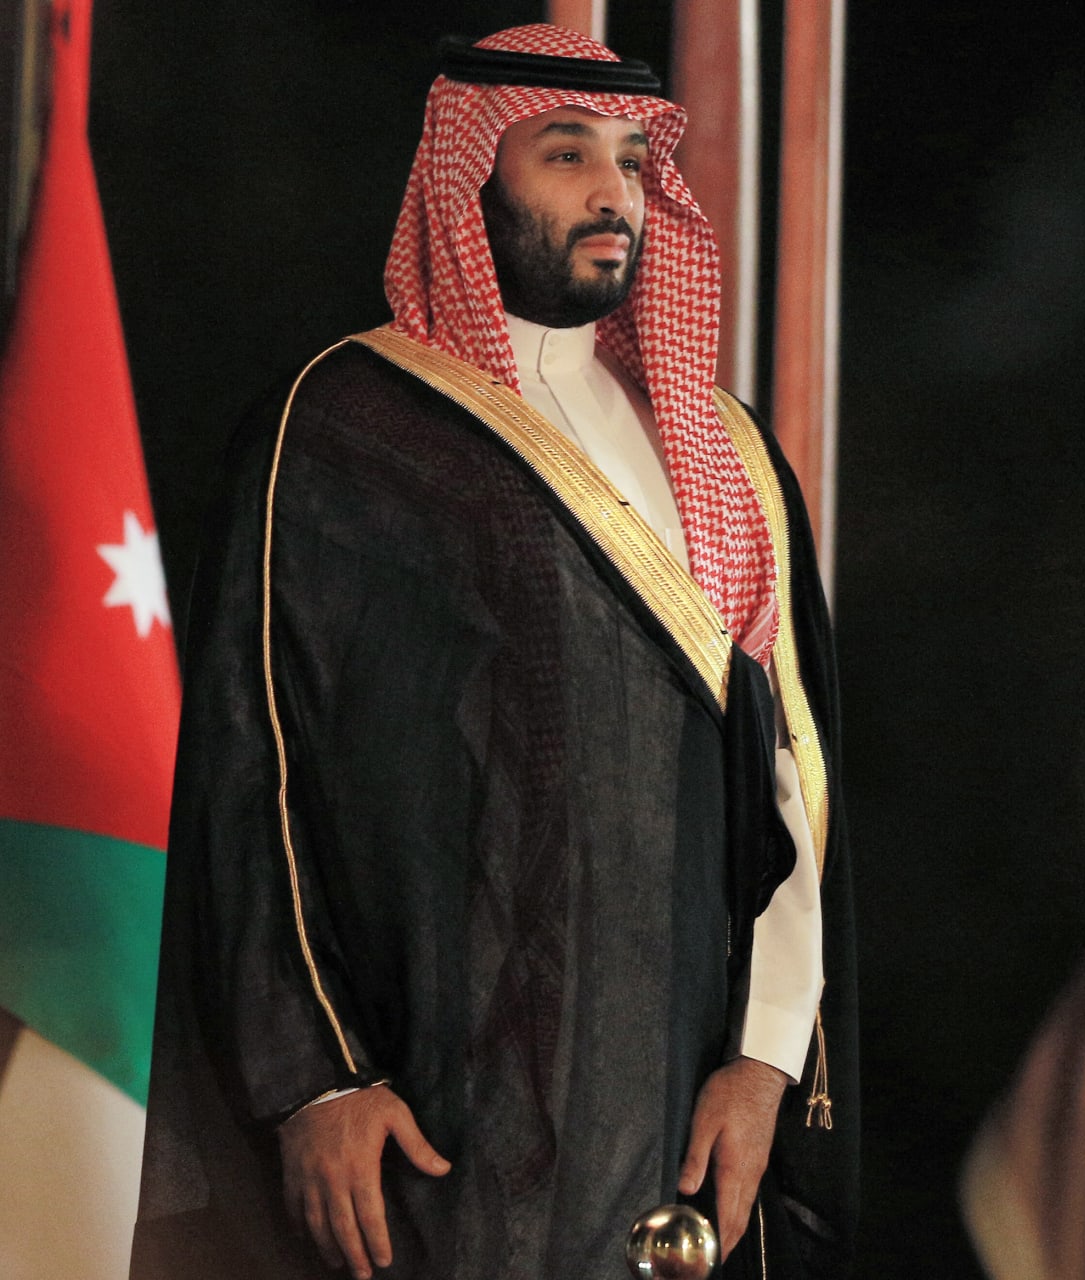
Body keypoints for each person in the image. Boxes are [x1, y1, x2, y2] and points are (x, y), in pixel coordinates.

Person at [131, 24, 855, 1280]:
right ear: (468, 179)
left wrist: (766, 1056)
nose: (613, 193)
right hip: (429, 1114)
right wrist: (314, 1078)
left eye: (633, 161)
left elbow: (789, 774)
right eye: (566, 154)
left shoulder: (726, 451)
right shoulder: (345, 428)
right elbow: (254, 771)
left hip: (676, 1115)